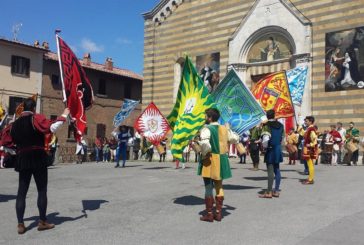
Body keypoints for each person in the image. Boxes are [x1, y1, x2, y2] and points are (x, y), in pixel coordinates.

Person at [9, 98, 69, 234]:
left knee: (21, 193)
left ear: (23, 108)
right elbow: (51, 127)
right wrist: (64, 114)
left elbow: (7, 143)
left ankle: (20, 224)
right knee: (42, 190)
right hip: (38, 157)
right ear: (34, 108)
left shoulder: (14, 124)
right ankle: (42, 221)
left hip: (23, 158)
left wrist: (18, 150)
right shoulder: (35, 118)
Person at [198, 108, 239, 222]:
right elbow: (235, 139)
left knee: (208, 187)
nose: (205, 118)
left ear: (210, 118)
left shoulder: (207, 129)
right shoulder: (224, 128)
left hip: (210, 159)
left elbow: (206, 144)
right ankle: (218, 213)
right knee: (219, 186)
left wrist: (203, 152)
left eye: (206, 116)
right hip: (222, 159)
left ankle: (210, 214)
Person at [259, 110, 284, 198]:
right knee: (277, 169)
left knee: (270, 170)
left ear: (267, 116)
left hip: (270, 149)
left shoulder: (266, 125)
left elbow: (266, 139)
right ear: (274, 115)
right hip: (278, 148)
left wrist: (264, 147)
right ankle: (276, 190)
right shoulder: (281, 125)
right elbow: (282, 137)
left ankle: (269, 192)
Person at [301, 116, 318, 185]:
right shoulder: (309, 129)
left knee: (310, 164)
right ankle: (310, 178)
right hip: (308, 148)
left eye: (306, 121)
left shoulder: (311, 129)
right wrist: (299, 127)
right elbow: (304, 134)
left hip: (309, 149)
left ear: (310, 122)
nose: (305, 122)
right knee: (309, 164)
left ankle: (310, 179)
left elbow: (314, 139)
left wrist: (310, 144)